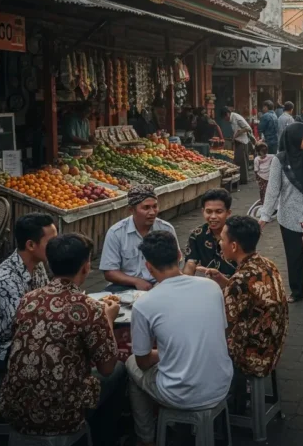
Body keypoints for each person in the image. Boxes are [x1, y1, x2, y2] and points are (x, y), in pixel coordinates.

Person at [0, 234, 125, 445]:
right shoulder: (90, 308)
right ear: (86, 267)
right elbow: (107, 367)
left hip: (14, 407)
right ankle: (105, 438)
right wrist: (108, 320)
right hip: (60, 415)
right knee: (120, 370)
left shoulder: (27, 299)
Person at [127, 231, 233, 446]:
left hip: (180, 394)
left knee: (130, 364)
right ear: (179, 255)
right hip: (222, 384)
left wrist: (164, 354)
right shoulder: (211, 287)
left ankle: (145, 438)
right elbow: (221, 334)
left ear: (148, 266)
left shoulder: (144, 304)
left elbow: (143, 361)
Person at [204, 216, 288, 382]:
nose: (220, 243)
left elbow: (225, 323)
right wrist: (225, 281)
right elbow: (252, 296)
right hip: (275, 346)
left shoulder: (239, 281)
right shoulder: (266, 263)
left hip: (255, 358)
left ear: (234, 246)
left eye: (222, 240)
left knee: (201, 343)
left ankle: (226, 400)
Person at [0, 213, 57, 376]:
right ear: (31, 245)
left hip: (22, 339)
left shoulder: (38, 266)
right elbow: (24, 326)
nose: (56, 247)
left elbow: (46, 302)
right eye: (51, 242)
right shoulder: (5, 279)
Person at [261, 122, 303, 302]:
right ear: (295, 138)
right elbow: (273, 190)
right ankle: (297, 292)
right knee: (294, 257)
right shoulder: (279, 160)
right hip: (289, 217)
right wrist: (265, 216)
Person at [100, 185, 178, 291]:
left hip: (160, 284)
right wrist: (136, 281)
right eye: (146, 208)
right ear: (131, 210)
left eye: (155, 206)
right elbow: (109, 272)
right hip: (126, 285)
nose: (152, 212)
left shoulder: (166, 229)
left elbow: (175, 262)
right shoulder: (116, 233)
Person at [184, 188, 237, 277]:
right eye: (208, 211)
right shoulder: (197, 234)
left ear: (228, 213)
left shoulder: (237, 234)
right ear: (203, 211)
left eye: (218, 212)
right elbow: (190, 262)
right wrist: (185, 282)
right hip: (206, 285)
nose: (213, 216)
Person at [222, 106, 252, 185]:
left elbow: (248, 128)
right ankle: (241, 179)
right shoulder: (232, 119)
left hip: (242, 141)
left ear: (227, 114)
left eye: (225, 118)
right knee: (238, 160)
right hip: (238, 141)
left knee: (241, 161)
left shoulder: (236, 117)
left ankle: (244, 180)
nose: (225, 120)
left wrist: (238, 133)